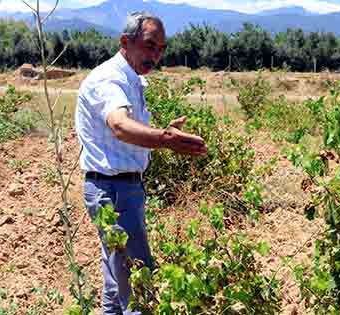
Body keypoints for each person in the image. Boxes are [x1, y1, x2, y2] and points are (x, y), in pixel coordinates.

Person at [75, 11, 208, 315]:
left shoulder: (130, 78)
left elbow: (124, 138)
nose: (156, 56)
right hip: (114, 191)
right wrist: (165, 139)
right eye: (150, 46)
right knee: (139, 280)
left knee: (116, 281)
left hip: (117, 189)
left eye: (161, 49)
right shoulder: (110, 79)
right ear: (125, 41)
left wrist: (163, 132)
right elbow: (120, 126)